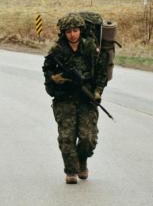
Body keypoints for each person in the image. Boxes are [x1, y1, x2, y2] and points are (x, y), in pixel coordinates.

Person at [42, 13, 108, 184]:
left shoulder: (90, 48)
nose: (73, 34)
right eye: (69, 31)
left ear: (81, 30)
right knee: (66, 138)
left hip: (87, 99)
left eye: (76, 30)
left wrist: (98, 91)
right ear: (64, 33)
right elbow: (47, 70)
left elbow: (101, 73)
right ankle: (71, 170)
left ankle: (82, 160)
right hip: (65, 99)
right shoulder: (57, 50)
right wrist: (55, 78)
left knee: (87, 138)